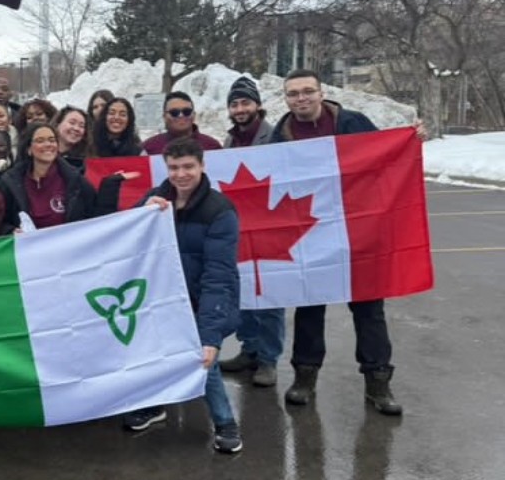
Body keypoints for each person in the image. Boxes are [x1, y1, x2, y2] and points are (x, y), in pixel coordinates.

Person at [270, 68, 409, 414]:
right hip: (311, 234)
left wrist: (410, 140)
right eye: (293, 94)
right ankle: (305, 376)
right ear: (286, 99)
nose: (301, 98)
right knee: (309, 309)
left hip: (357, 232)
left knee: (369, 311)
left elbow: (387, 156)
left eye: (307, 91)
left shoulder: (353, 123)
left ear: (321, 93)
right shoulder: (280, 137)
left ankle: (378, 382)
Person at [128, 137, 243, 454]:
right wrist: (142, 210)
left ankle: (225, 423)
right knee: (155, 353)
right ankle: (156, 405)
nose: (181, 174)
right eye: (174, 167)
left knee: (205, 361)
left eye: (188, 167)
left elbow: (217, 276)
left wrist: (211, 335)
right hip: (162, 296)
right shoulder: (157, 198)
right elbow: (127, 234)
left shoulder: (220, 211)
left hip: (200, 297)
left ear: (202, 166)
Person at [217, 76, 284, 388]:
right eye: (235, 104)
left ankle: (268, 358)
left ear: (257, 105)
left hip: (272, 225)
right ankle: (250, 348)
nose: (240, 109)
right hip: (242, 227)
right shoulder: (229, 142)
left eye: (245, 102)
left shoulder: (276, 137)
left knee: (272, 296)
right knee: (244, 290)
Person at [0, 123, 96, 231]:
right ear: (29, 149)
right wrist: (11, 231)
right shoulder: (10, 182)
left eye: (52, 140)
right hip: (28, 246)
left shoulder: (76, 180)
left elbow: (95, 216)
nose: (48, 144)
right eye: (40, 141)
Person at [142, 92, 223, 155]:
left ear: (194, 115)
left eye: (186, 111)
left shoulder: (212, 146)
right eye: (174, 112)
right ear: (164, 116)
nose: (181, 115)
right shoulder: (148, 148)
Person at [51, 105, 92, 172]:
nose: (76, 128)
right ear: (58, 124)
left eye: (81, 126)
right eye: (72, 123)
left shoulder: (86, 162)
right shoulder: (44, 155)